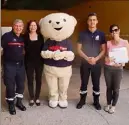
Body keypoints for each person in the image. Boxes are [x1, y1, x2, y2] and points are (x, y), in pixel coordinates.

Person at [76, 13, 106, 110]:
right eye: (90, 20)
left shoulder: (101, 34)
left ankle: (96, 102)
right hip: (85, 63)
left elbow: (104, 50)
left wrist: (95, 59)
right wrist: (87, 58)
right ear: (87, 22)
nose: (92, 21)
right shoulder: (82, 34)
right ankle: (82, 100)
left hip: (96, 64)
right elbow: (79, 49)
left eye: (94, 19)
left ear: (97, 21)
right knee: (84, 82)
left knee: (96, 83)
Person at [1, 19, 26, 115]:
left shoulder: (23, 38)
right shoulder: (6, 36)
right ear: (13, 26)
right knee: (10, 85)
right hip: (9, 65)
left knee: (21, 85)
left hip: (20, 65)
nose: (18, 28)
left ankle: (19, 102)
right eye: (16, 26)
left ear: (22, 28)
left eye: (20, 26)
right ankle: (11, 104)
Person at [104, 24, 129, 114]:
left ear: (119, 30)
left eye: (115, 30)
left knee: (116, 89)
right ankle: (108, 104)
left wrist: (123, 62)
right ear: (110, 33)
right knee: (109, 87)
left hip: (118, 69)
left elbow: (127, 56)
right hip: (108, 68)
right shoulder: (108, 43)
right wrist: (107, 58)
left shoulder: (125, 42)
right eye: (112, 31)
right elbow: (106, 56)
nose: (114, 32)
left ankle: (113, 106)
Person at [24, 20, 44, 106]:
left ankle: (37, 97)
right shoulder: (25, 36)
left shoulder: (40, 36)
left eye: (34, 25)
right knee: (30, 80)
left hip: (39, 62)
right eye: (31, 25)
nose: (33, 27)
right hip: (28, 61)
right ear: (28, 27)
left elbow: (43, 48)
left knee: (39, 80)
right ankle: (32, 98)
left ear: (37, 27)